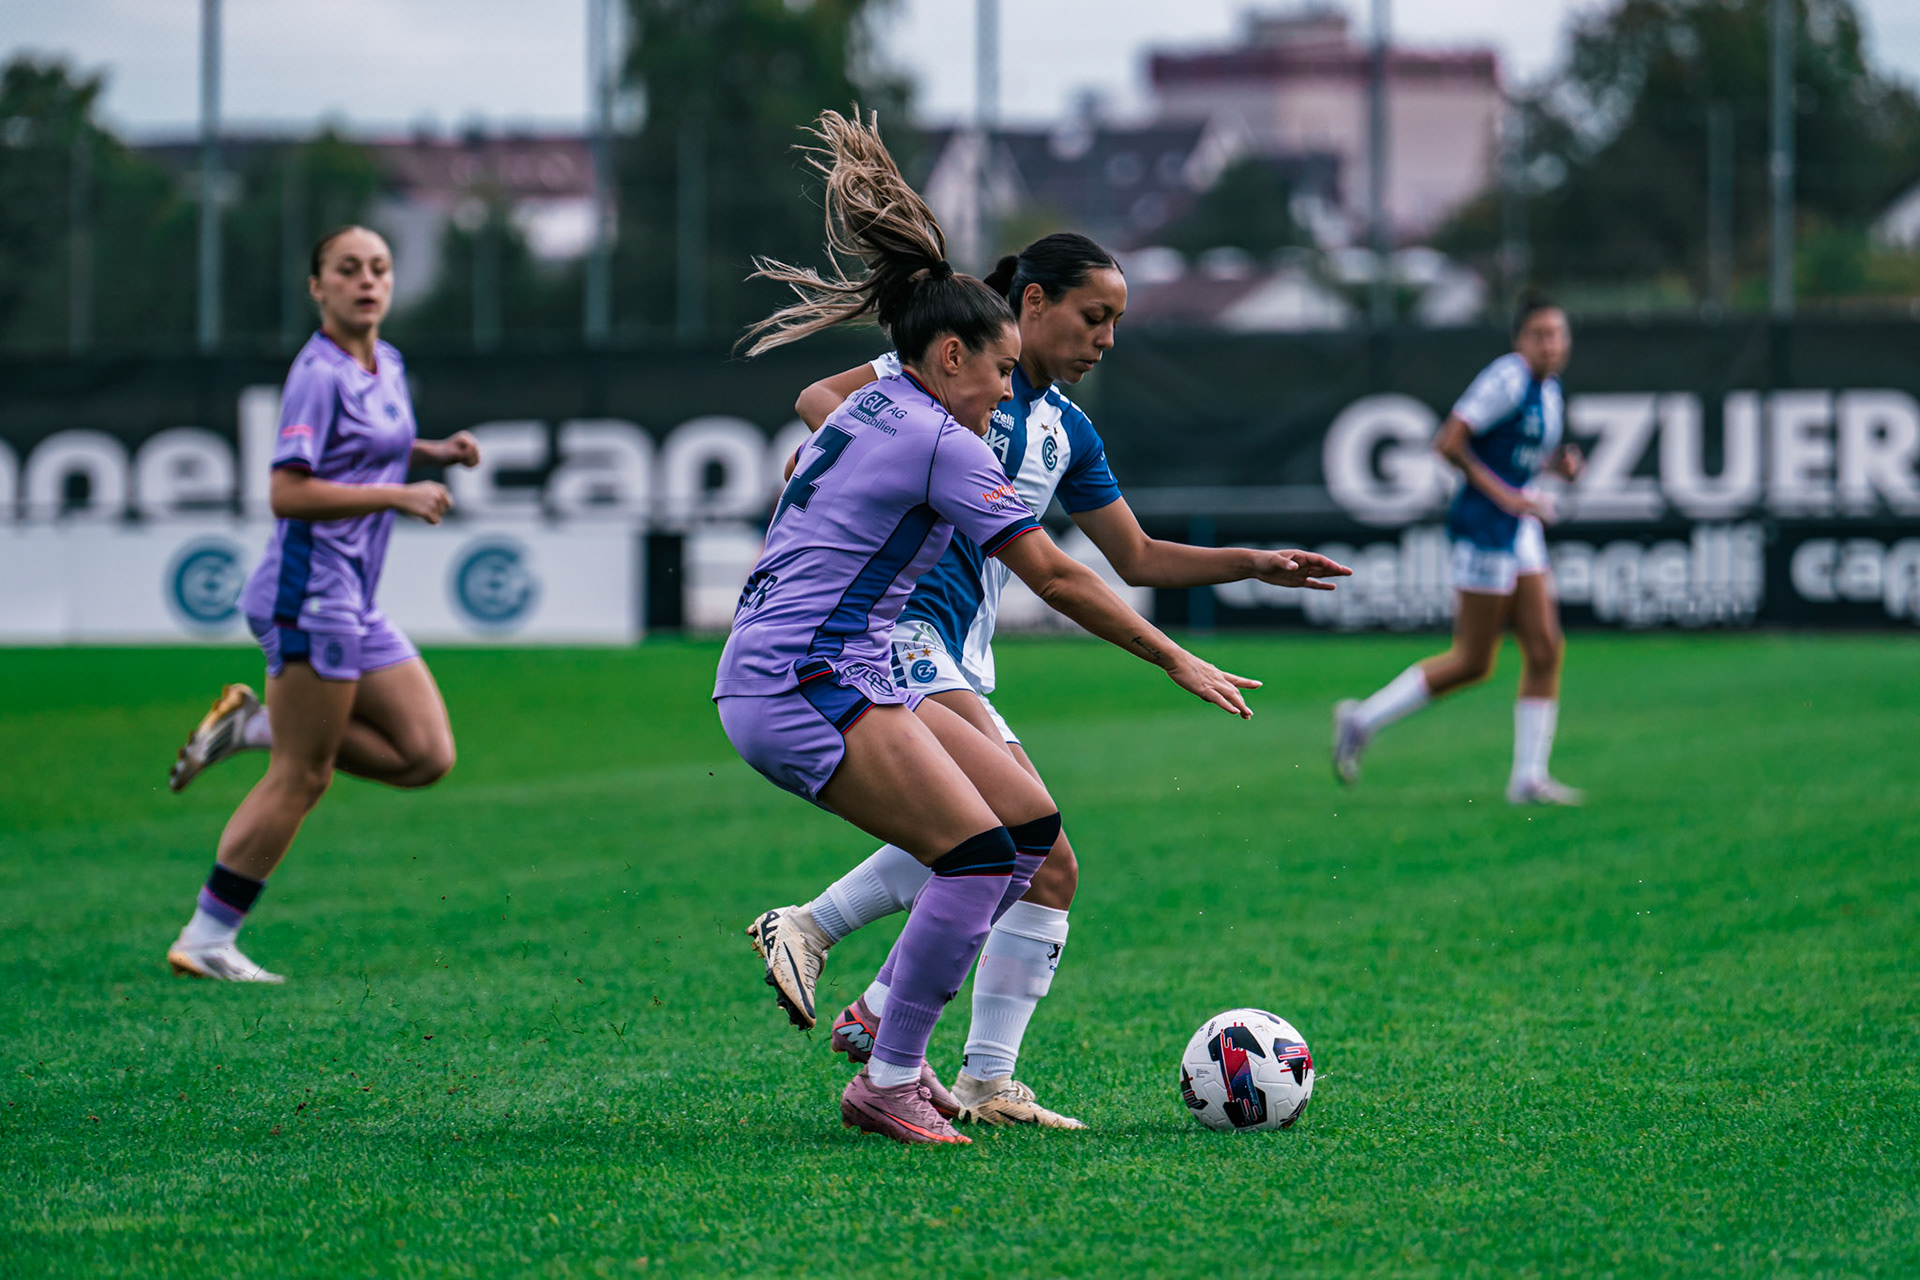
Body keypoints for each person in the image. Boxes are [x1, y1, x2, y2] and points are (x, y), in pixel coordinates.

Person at [718, 109, 1262, 1146]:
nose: (1011, 390)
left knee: (1024, 828)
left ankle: (888, 1021)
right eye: (1000, 369)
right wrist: (1177, 655)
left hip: (839, 664)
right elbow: (1054, 572)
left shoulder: (880, 410)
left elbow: (819, 446)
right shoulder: (942, 439)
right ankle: (887, 1066)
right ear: (954, 351)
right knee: (979, 852)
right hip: (804, 679)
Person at [163, 225, 482, 981]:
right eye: (348, 270)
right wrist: (399, 494)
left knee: (426, 755)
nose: (367, 281)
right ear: (319, 288)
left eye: (379, 267)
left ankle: (255, 727)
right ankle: (206, 937)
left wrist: (433, 452)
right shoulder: (316, 372)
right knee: (304, 775)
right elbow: (287, 489)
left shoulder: (388, 362)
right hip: (307, 597)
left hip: (353, 602)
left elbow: (369, 446)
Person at [1332, 293, 1584, 804]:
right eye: (1539, 334)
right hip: (1485, 528)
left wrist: (1555, 467)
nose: (1550, 344)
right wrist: (1509, 496)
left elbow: (1516, 455)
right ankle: (1361, 719)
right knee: (1473, 660)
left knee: (1544, 648)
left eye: (1557, 334)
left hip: (1518, 529)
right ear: (1520, 340)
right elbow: (1449, 442)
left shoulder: (1548, 389)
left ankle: (1528, 778)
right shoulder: (1507, 379)